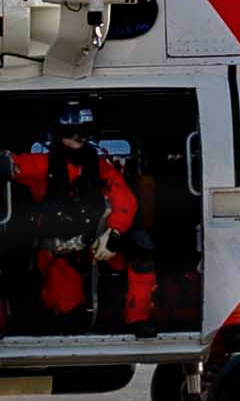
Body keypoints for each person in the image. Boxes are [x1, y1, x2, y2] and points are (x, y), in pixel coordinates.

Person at [8, 100, 143, 327]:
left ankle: (137, 319)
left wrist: (115, 233)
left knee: (142, 254)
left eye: (85, 132)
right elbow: (14, 165)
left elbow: (125, 200)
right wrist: (5, 160)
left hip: (97, 243)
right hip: (59, 251)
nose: (79, 137)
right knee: (69, 310)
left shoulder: (101, 167)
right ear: (60, 132)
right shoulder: (42, 165)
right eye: (73, 132)